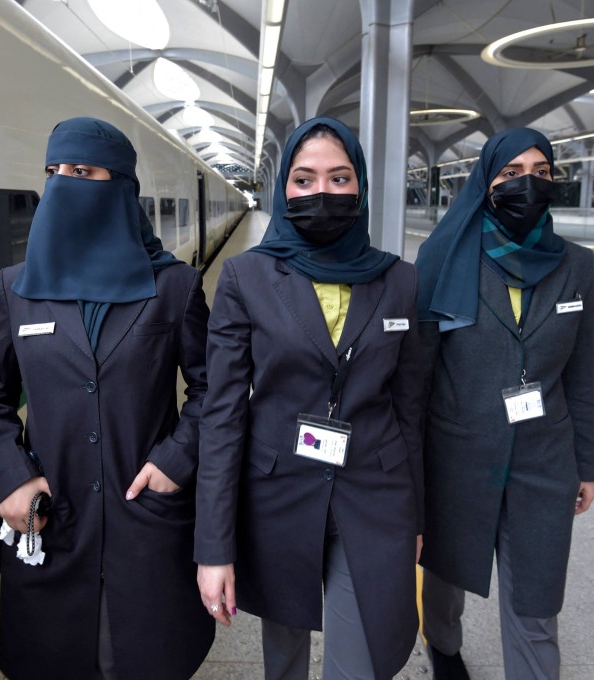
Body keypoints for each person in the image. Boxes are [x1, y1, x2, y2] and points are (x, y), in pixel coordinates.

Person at [0, 117, 214, 679]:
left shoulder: (172, 287)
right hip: (53, 521)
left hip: (145, 520)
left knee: (140, 659)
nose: (62, 184)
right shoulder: (18, 287)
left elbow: (213, 391)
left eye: (81, 171)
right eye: (53, 172)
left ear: (121, 186)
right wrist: (11, 475)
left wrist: (175, 461)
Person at [195, 116, 424, 680]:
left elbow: (411, 408)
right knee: (284, 652)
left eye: (339, 178)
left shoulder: (401, 281)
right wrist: (213, 547)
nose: (322, 192)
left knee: (360, 660)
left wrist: (419, 515)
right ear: (284, 189)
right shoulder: (246, 277)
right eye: (304, 179)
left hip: (375, 492)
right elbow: (222, 416)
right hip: (276, 492)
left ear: (361, 187)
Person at [414, 127, 594, 680]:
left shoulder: (577, 265)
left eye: (542, 172)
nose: (529, 183)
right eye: (511, 173)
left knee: (537, 596)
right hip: (456, 452)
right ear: (486, 183)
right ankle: (443, 650)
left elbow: (581, 376)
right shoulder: (442, 258)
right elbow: (418, 373)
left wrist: (587, 465)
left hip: (546, 459)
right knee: (446, 574)